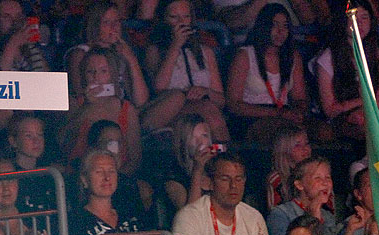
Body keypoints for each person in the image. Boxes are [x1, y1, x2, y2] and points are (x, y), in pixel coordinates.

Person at [144, 0, 229, 142]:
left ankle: (222, 156)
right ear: (163, 19)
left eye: (186, 17)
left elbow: (221, 100)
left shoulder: (206, 52)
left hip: (205, 109)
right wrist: (175, 45)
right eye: (174, 17)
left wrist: (205, 91)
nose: (181, 22)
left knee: (209, 111)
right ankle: (225, 158)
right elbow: (159, 88)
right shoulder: (154, 51)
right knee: (208, 112)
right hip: (172, 112)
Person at [225, 3, 308, 143]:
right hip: (252, 118)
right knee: (282, 133)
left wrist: (298, 111)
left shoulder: (293, 57)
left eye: (285, 26)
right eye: (274, 25)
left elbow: (300, 98)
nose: (280, 31)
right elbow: (233, 104)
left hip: (284, 114)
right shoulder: (245, 55)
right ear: (263, 26)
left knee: (322, 131)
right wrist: (274, 113)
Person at [60, 46, 143, 172]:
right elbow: (63, 143)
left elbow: (135, 157)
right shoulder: (74, 104)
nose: (96, 77)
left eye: (103, 71)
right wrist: (87, 107)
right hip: (80, 173)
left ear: (112, 74)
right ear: (84, 75)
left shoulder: (126, 108)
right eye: (90, 72)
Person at [315, 0, 379, 138]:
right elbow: (330, 109)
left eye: (364, 17)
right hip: (343, 120)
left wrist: (365, 109)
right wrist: (361, 103)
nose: (359, 23)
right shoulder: (327, 58)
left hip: (371, 116)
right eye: (353, 17)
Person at [65, 1, 150, 108]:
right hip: (92, 110)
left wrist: (131, 59)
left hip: (121, 110)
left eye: (117, 21)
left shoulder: (121, 54)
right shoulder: (80, 53)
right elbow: (78, 97)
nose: (114, 27)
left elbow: (140, 101)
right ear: (95, 25)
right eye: (106, 22)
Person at [267, 156, 340, 235]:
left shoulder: (328, 217)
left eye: (328, 177)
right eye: (317, 178)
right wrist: (313, 219)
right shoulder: (281, 214)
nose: (325, 182)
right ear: (299, 185)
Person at [165, 112, 214, 210]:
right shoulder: (174, 179)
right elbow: (191, 214)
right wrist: (198, 169)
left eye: (204, 135)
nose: (200, 143)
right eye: (193, 137)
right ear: (183, 142)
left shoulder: (217, 170)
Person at [265, 124, 311, 211]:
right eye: (298, 145)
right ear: (285, 149)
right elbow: (276, 216)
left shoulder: (320, 175)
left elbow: (330, 213)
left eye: (307, 143)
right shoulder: (276, 179)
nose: (305, 148)